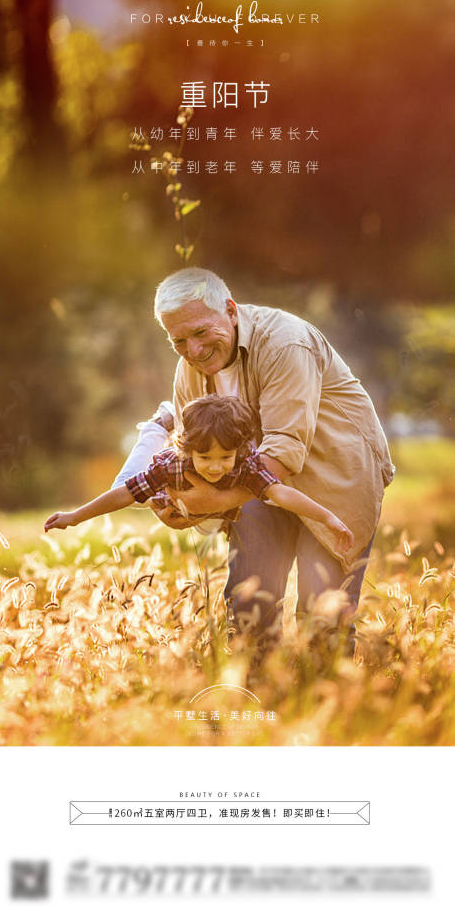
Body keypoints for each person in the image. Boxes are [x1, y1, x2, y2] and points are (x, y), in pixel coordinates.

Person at [113, 267, 395, 644]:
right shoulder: (189, 369)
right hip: (255, 482)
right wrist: (178, 504)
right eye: (178, 340)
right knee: (249, 607)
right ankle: (258, 695)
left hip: (334, 478)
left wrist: (205, 504)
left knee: (322, 614)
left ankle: (329, 695)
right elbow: (190, 450)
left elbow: (280, 454)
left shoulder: (285, 343)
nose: (193, 351)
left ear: (230, 311)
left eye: (200, 332)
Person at [44, 396, 354, 563]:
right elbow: (124, 494)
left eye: (224, 457)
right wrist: (75, 516)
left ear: (238, 450)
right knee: (125, 486)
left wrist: (327, 518)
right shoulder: (170, 464)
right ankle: (161, 423)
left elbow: (281, 494)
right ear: (188, 449)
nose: (216, 467)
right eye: (205, 457)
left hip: (209, 507)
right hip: (172, 491)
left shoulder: (246, 462)